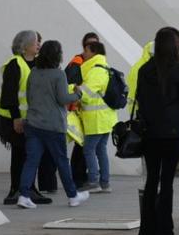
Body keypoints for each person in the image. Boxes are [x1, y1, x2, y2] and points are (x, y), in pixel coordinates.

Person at [134, 27, 179, 235]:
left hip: (149, 132)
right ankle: (165, 231)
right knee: (167, 181)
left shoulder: (144, 70)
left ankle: (146, 231)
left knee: (152, 179)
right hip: (171, 132)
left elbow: (140, 99)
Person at [15, 40, 87, 209]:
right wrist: (78, 94)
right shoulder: (58, 74)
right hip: (53, 126)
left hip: (33, 124)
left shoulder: (34, 72)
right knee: (61, 161)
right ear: (57, 55)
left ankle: (24, 195)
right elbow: (63, 99)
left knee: (31, 161)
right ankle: (72, 195)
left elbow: (30, 96)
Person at [0, 30, 52, 206]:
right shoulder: (15, 64)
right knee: (20, 154)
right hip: (14, 119)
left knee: (29, 154)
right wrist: (16, 118)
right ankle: (16, 190)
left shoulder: (36, 64)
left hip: (30, 120)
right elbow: (9, 96)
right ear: (26, 45)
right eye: (36, 42)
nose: (38, 45)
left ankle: (28, 189)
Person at [77, 40, 116, 193]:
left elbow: (87, 93)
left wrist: (73, 89)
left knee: (89, 149)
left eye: (86, 51)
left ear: (93, 52)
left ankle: (94, 182)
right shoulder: (103, 68)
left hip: (97, 119)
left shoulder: (96, 70)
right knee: (100, 150)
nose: (83, 54)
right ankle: (105, 183)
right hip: (105, 118)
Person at [66, 32, 99, 186]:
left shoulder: (96, 62)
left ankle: (80, 174)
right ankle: (77, 176)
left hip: (91, 110)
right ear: (84, 47)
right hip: (78, 108)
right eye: (89, 45)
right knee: (81, 144)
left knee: (86, 145)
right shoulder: (77, 61)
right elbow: (71, 82)